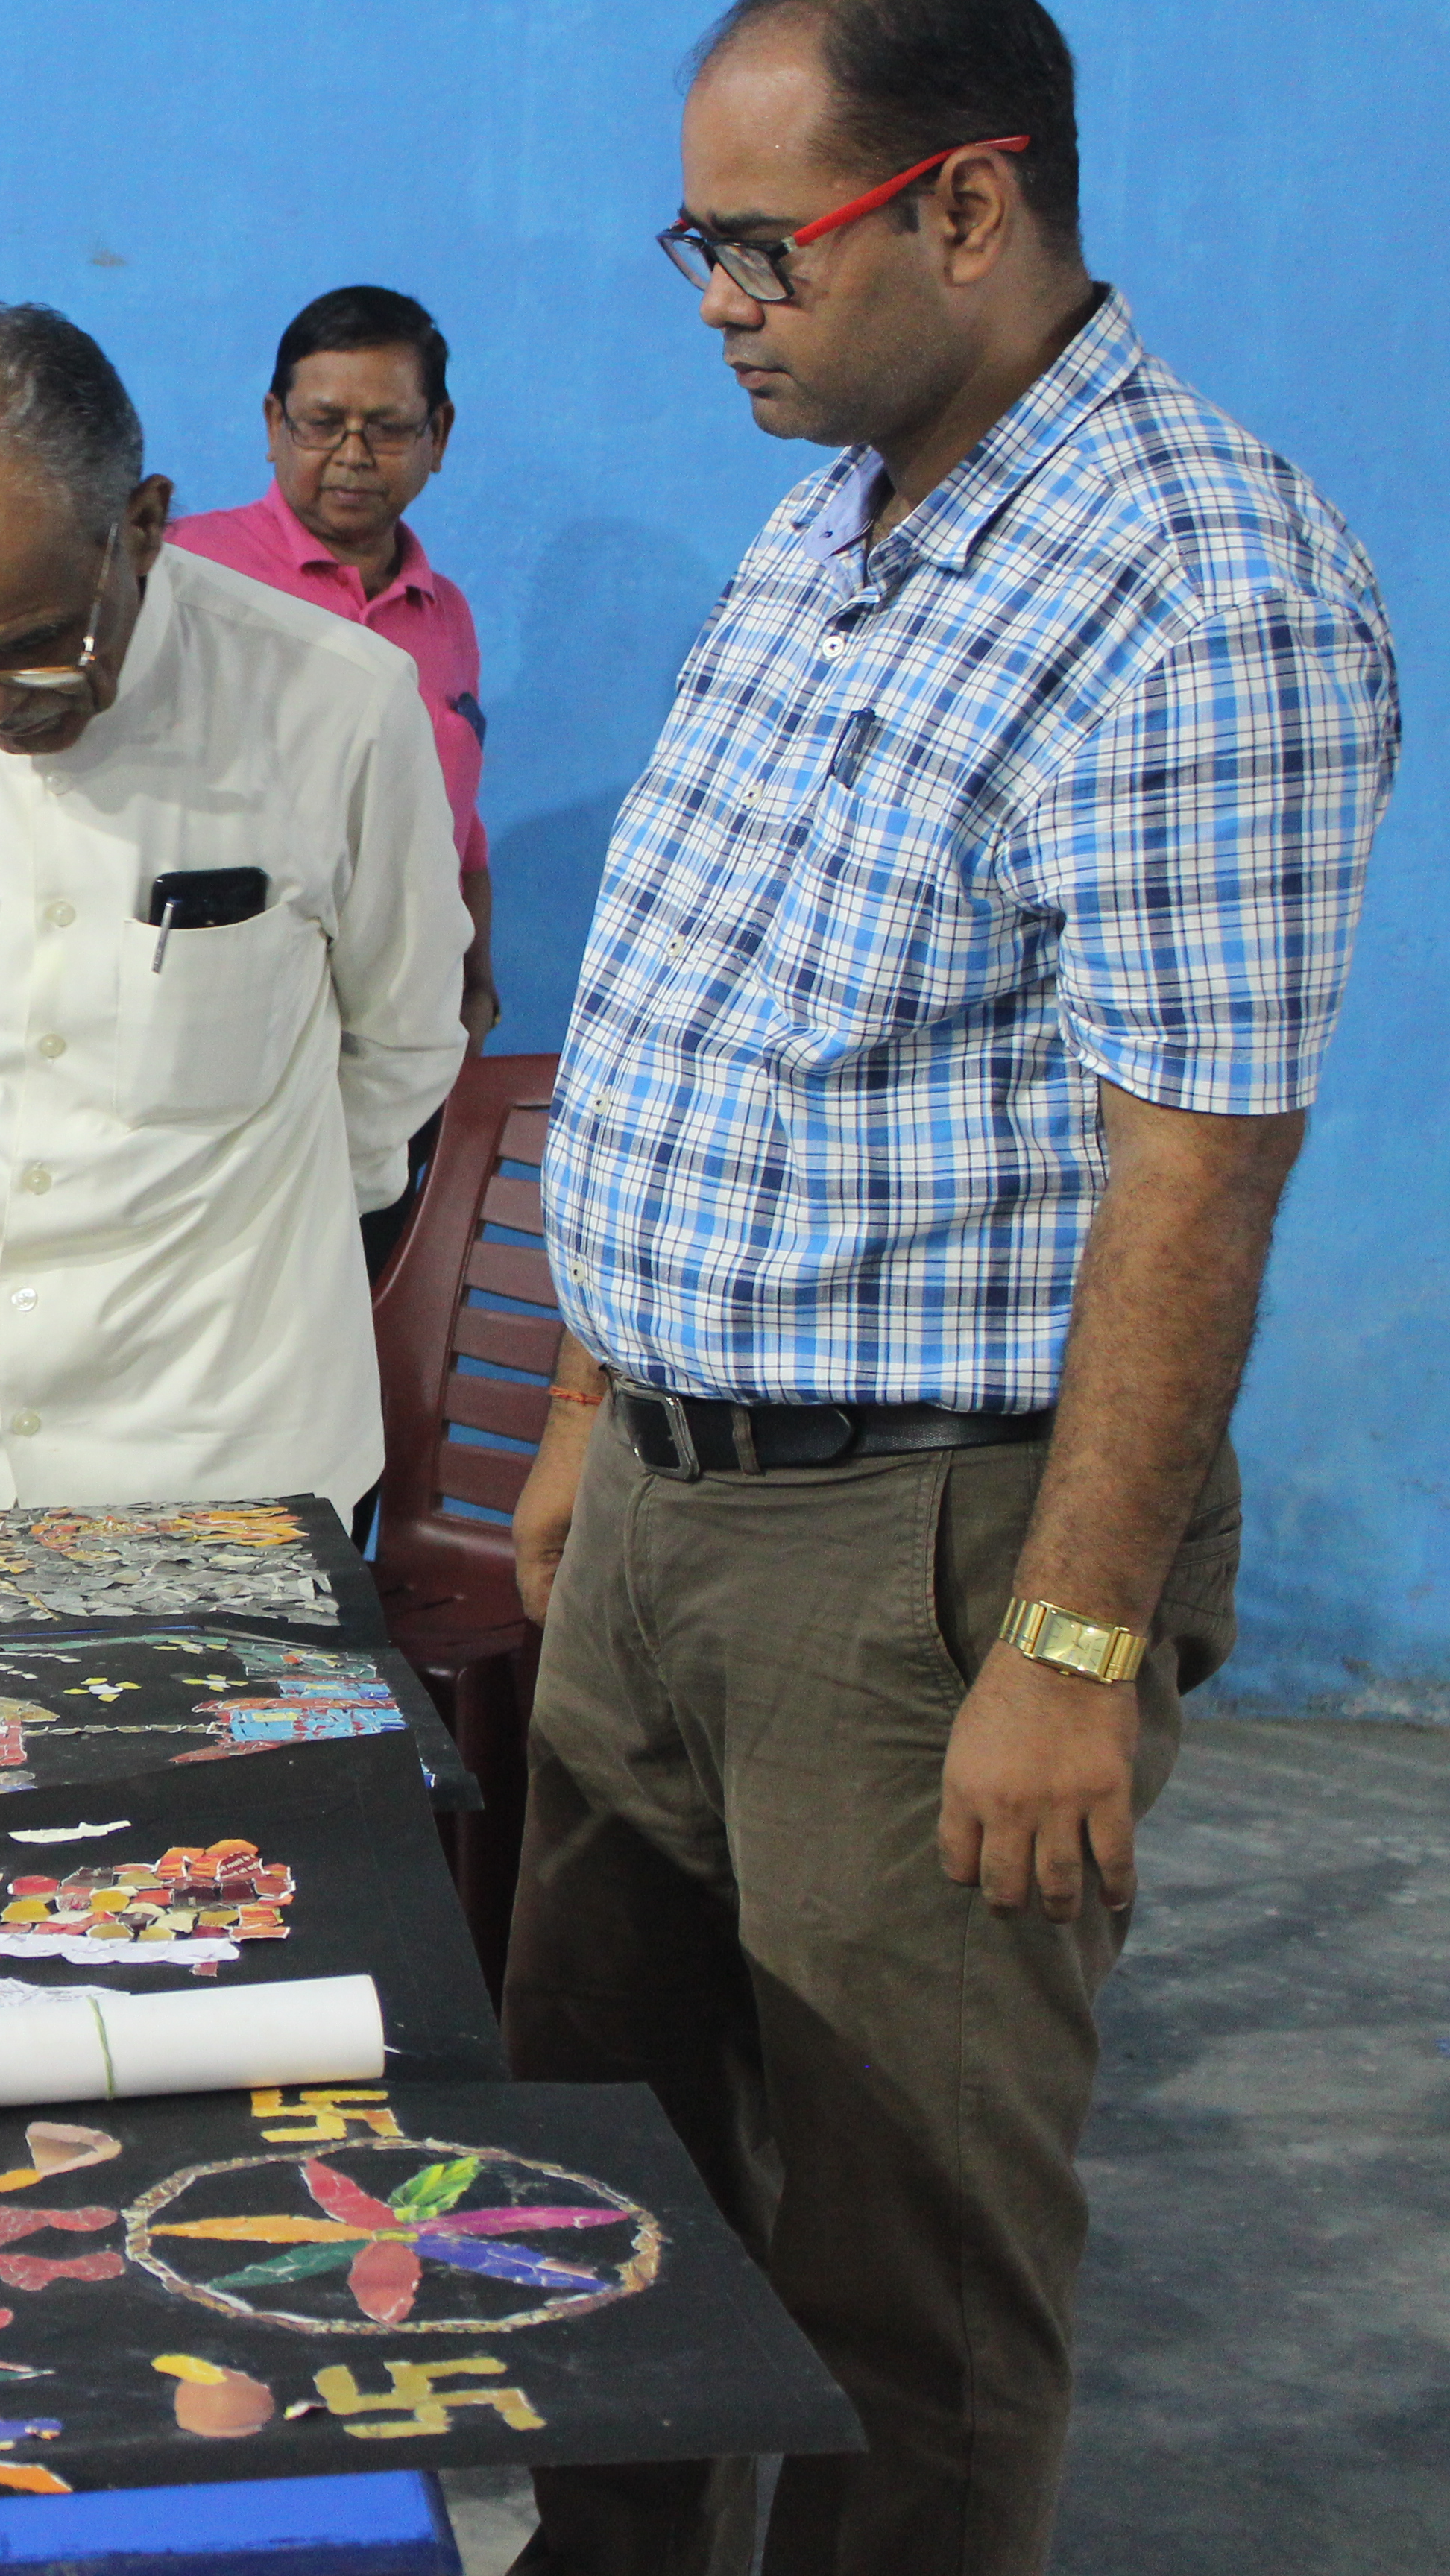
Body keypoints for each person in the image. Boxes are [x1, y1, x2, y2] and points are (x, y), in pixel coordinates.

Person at [503, 6, 1398, 2570]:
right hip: (673, 1508)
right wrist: (588, 1398)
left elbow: (1193, 1174)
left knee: (905, 2273)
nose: (710, 301)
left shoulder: (1199, 587)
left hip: (918, 1566)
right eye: (697, 244)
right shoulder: (834, 522)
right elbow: (697, 1008)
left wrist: (1072, 1643)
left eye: (756, 245)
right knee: (596, 2205)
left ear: (972, 207)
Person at [0, 303, 467, 1517]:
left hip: (229, 1433)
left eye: (33, 648)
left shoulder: (335, 705)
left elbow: (400, 1041)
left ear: (140, 525)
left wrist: (236, 1245)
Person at [169, 285, 502, 1047]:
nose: (352, 456)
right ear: (274, 425)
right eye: (323, 424)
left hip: (404, 1031)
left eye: (386, 429)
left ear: (438, 435)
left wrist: (477, 985)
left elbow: (462, 826)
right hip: (230, 1028)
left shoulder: (443, 612)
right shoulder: (183, 573)